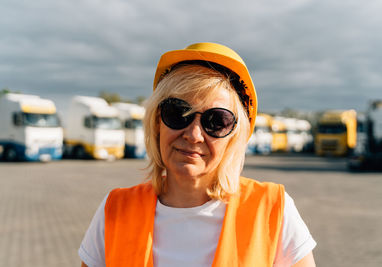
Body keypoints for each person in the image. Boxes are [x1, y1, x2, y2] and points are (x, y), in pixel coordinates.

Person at [79, 42, 317, 267]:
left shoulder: (273, 210)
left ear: (234, 137)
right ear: (156, 124)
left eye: (216, 121)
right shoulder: (115, 210)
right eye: (178, 113)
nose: (193, 135)